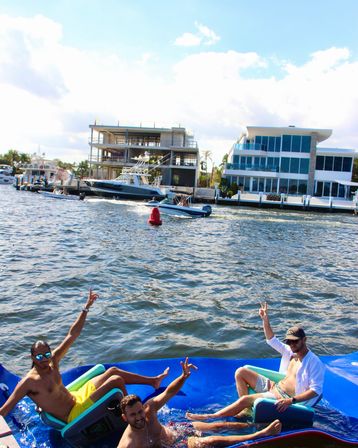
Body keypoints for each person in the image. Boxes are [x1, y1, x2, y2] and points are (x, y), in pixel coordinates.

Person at [0, 289, 169, 423]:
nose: (44, 359)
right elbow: (6, 409)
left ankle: (153, 381)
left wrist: (86, 307)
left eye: (46, 354)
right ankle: (130, 418)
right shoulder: (29, 382)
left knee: (113, 371)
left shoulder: (54, 361)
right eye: (39, 356)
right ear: (32, 358)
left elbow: (72, 335)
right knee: (115, 381)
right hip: (72, 414)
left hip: (77, 397)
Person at [186, 302, 325, 421]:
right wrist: (265, 319)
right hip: (275, 386)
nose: (291, 344)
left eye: (295, 341)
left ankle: (210, 417)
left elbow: (315, 390)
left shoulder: (314, 363)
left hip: (283, 397)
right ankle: (246, 412)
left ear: (304, 340)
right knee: (241, 372)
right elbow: (271, 340)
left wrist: (291, 401)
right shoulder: (290, 352)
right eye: (289, 341)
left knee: (245, 400)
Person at [118, 357, 198, 448]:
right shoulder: (129, 445)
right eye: (133, 414)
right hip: (181, 445)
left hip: (178, 430)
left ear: (143, 408)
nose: (138, 417)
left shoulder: (149, 409)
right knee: (211, 441)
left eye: (140, 412)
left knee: (216, 426)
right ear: (125, 417)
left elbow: (169, 392)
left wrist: (183, 376)